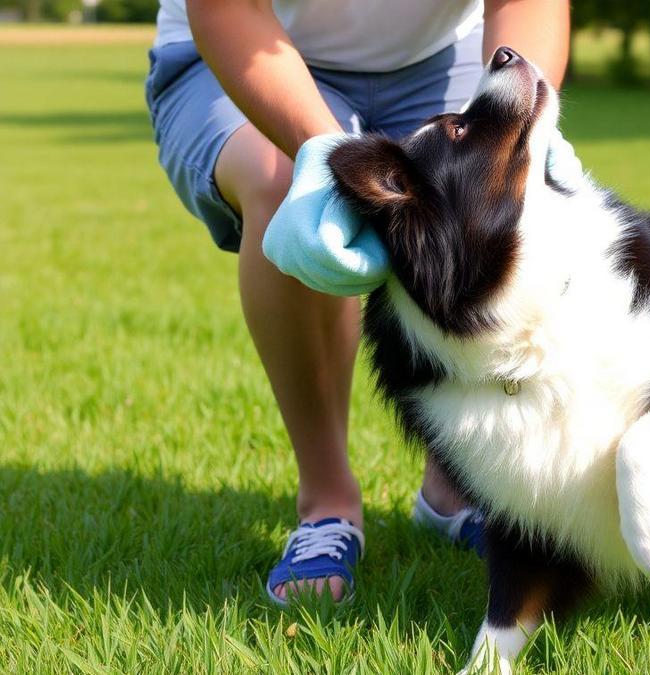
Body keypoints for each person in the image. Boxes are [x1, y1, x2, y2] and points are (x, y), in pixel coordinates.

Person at [144, 0, 573, 605]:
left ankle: (455, 487)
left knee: (479, 201)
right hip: (230, 54)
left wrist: (526, 128)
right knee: (288, 183)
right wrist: (327, 158)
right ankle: (326, 502)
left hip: (439, 57)